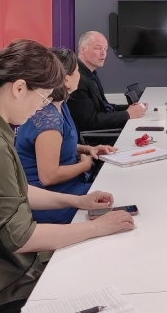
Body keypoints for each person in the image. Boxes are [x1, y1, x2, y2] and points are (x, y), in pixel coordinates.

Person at [0, 40, 134, 313]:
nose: (42, 107)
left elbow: (18, 190)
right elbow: (22, 237)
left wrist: (77, 202)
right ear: (19, 88)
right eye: (44, 97)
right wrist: (98, 228)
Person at [16, 48, 117, 224]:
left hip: (69, 189)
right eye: (77, 71)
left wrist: (87, 149)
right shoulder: (48, 119)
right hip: (53, 200)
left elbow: (58, 146)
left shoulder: (60, 106)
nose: (80, 75)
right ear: (66, 79)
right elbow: (49, 176)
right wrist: (85, 165)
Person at [67, 31, 147, 137]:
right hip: (95, 138)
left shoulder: (91, 74)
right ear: (82, 49)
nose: (103, 53)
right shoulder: (77, 79)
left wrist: (130, 108)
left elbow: (104, 107)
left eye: (105, 49)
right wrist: (127, 114)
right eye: (98, 48)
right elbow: (90, 122)